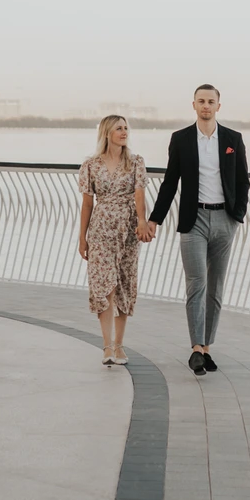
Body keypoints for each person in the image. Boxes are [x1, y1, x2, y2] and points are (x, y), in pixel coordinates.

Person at [146, 84, 249, 375]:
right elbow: (169, 183)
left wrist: (237, 215)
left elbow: (243, 181)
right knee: (197, 284)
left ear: (219, 106)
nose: (206, 106)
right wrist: (155, 218)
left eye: (211, 101)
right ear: (193, 105)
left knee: (216, 288)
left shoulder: (233, 139)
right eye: (201, 101)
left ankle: (206, 348)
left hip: (225, 220)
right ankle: (195, 349)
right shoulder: (181, 140)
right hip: (194, 220)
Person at [77, 114, 150, 366]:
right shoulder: (91, 165)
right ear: (107, 132)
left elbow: (139, 194)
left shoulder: (136, 162)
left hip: (127, 230)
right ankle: (107, 346)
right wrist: (82, 238)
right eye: (119, 128)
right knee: (103, 286)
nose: (124, 132)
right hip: (100, 230)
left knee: (123, 285)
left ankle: (119, 346)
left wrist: (142, 221)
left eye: (126, 128)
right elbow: (87, 203)